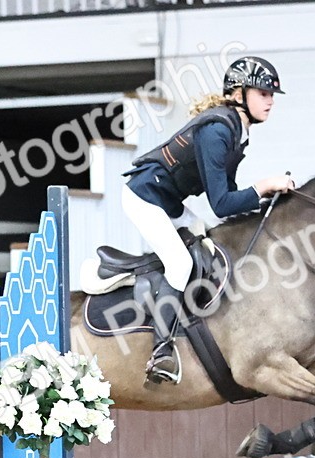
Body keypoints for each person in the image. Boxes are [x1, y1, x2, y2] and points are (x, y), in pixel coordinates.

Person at [123, 56, 295, 384]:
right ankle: (161, 351)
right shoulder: (218, 130)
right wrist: (263, 185)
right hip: (144, 198)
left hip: (167, 200)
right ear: (237, 94)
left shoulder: (236, 130)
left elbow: (228, 198)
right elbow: (220, 204)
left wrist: (264, 201)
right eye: (262, 93)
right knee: (179, 264)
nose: (270, 101)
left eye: (272, 95)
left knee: (211, 244)